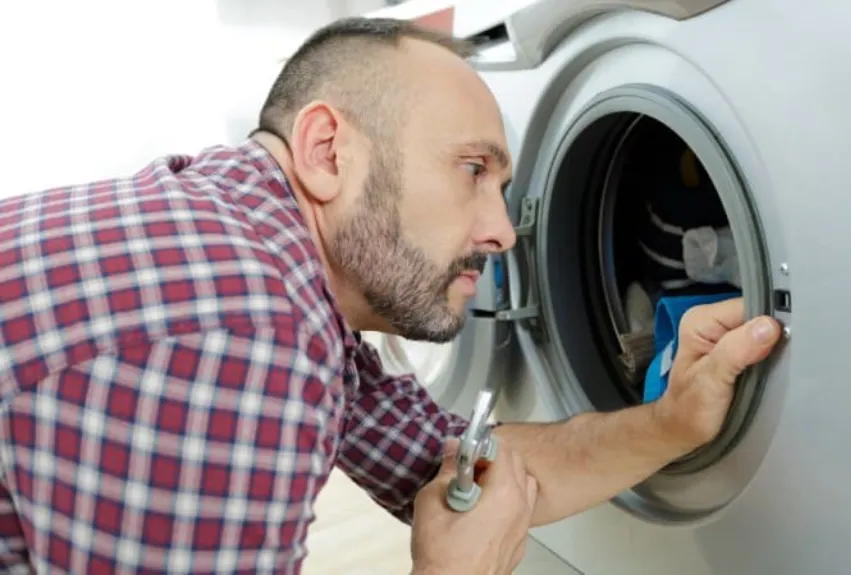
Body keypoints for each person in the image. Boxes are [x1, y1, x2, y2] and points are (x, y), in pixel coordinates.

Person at [0, 17, 782, 575]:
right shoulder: (241, 326)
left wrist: (674, 422)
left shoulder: (255, 239)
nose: (505, 232)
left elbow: (460, 466)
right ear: (326, 150)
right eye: (472, 170)